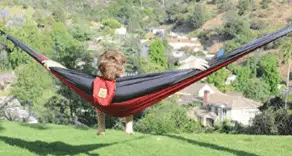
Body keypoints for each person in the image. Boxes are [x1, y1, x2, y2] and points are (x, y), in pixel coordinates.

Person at [42, 50, 210, 135]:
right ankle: (128, 125)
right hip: (124, 104)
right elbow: (163, 79)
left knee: (98, 101)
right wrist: (189, 66)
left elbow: (70, 75)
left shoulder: (93, 83)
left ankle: (102, 127)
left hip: (103, 101)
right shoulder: (128, 85)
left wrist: (52, 65)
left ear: (101, 68)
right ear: (121, 71)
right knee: (130, 101)